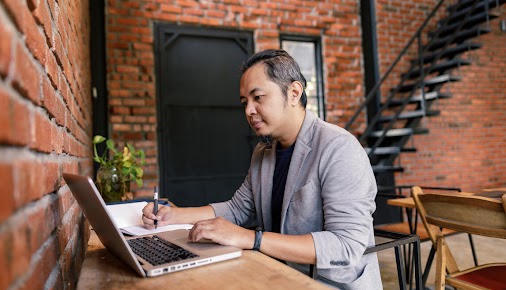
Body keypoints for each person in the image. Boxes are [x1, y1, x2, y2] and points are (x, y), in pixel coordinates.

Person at [142, 49, 382, 289]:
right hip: (279, 274)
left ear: (294, 93)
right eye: (245, 102)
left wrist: (250, 239)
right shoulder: (264, 151)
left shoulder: (339, 148)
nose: (248, 111)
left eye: (258, 98)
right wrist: (173, 216)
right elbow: (238, 210)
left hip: (329, 282)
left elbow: (346, 245)